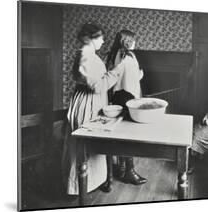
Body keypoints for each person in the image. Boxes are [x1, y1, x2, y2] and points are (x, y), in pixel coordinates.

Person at [61, 23, 124, 195]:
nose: (103, 41)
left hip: (92, 101)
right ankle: (78, 187)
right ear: (91, 38)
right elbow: (98, 86)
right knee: (85, 146)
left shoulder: (89, 54)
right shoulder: (86, 57)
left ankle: (92, 182)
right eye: (101, 38)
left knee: (92, 147)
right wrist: (117, 70)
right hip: (88, 103)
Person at [106, 29, 147, 185]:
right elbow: (132, 79)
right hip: (127, 96)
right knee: (129, 134)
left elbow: (118, 76)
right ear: (127, 41)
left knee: (121, 133)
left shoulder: (116, 53)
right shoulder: (128, 57)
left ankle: (123, 168)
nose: (135, 42)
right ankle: (129, 171)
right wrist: (141, 75)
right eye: (133, 40)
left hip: (118, 96)